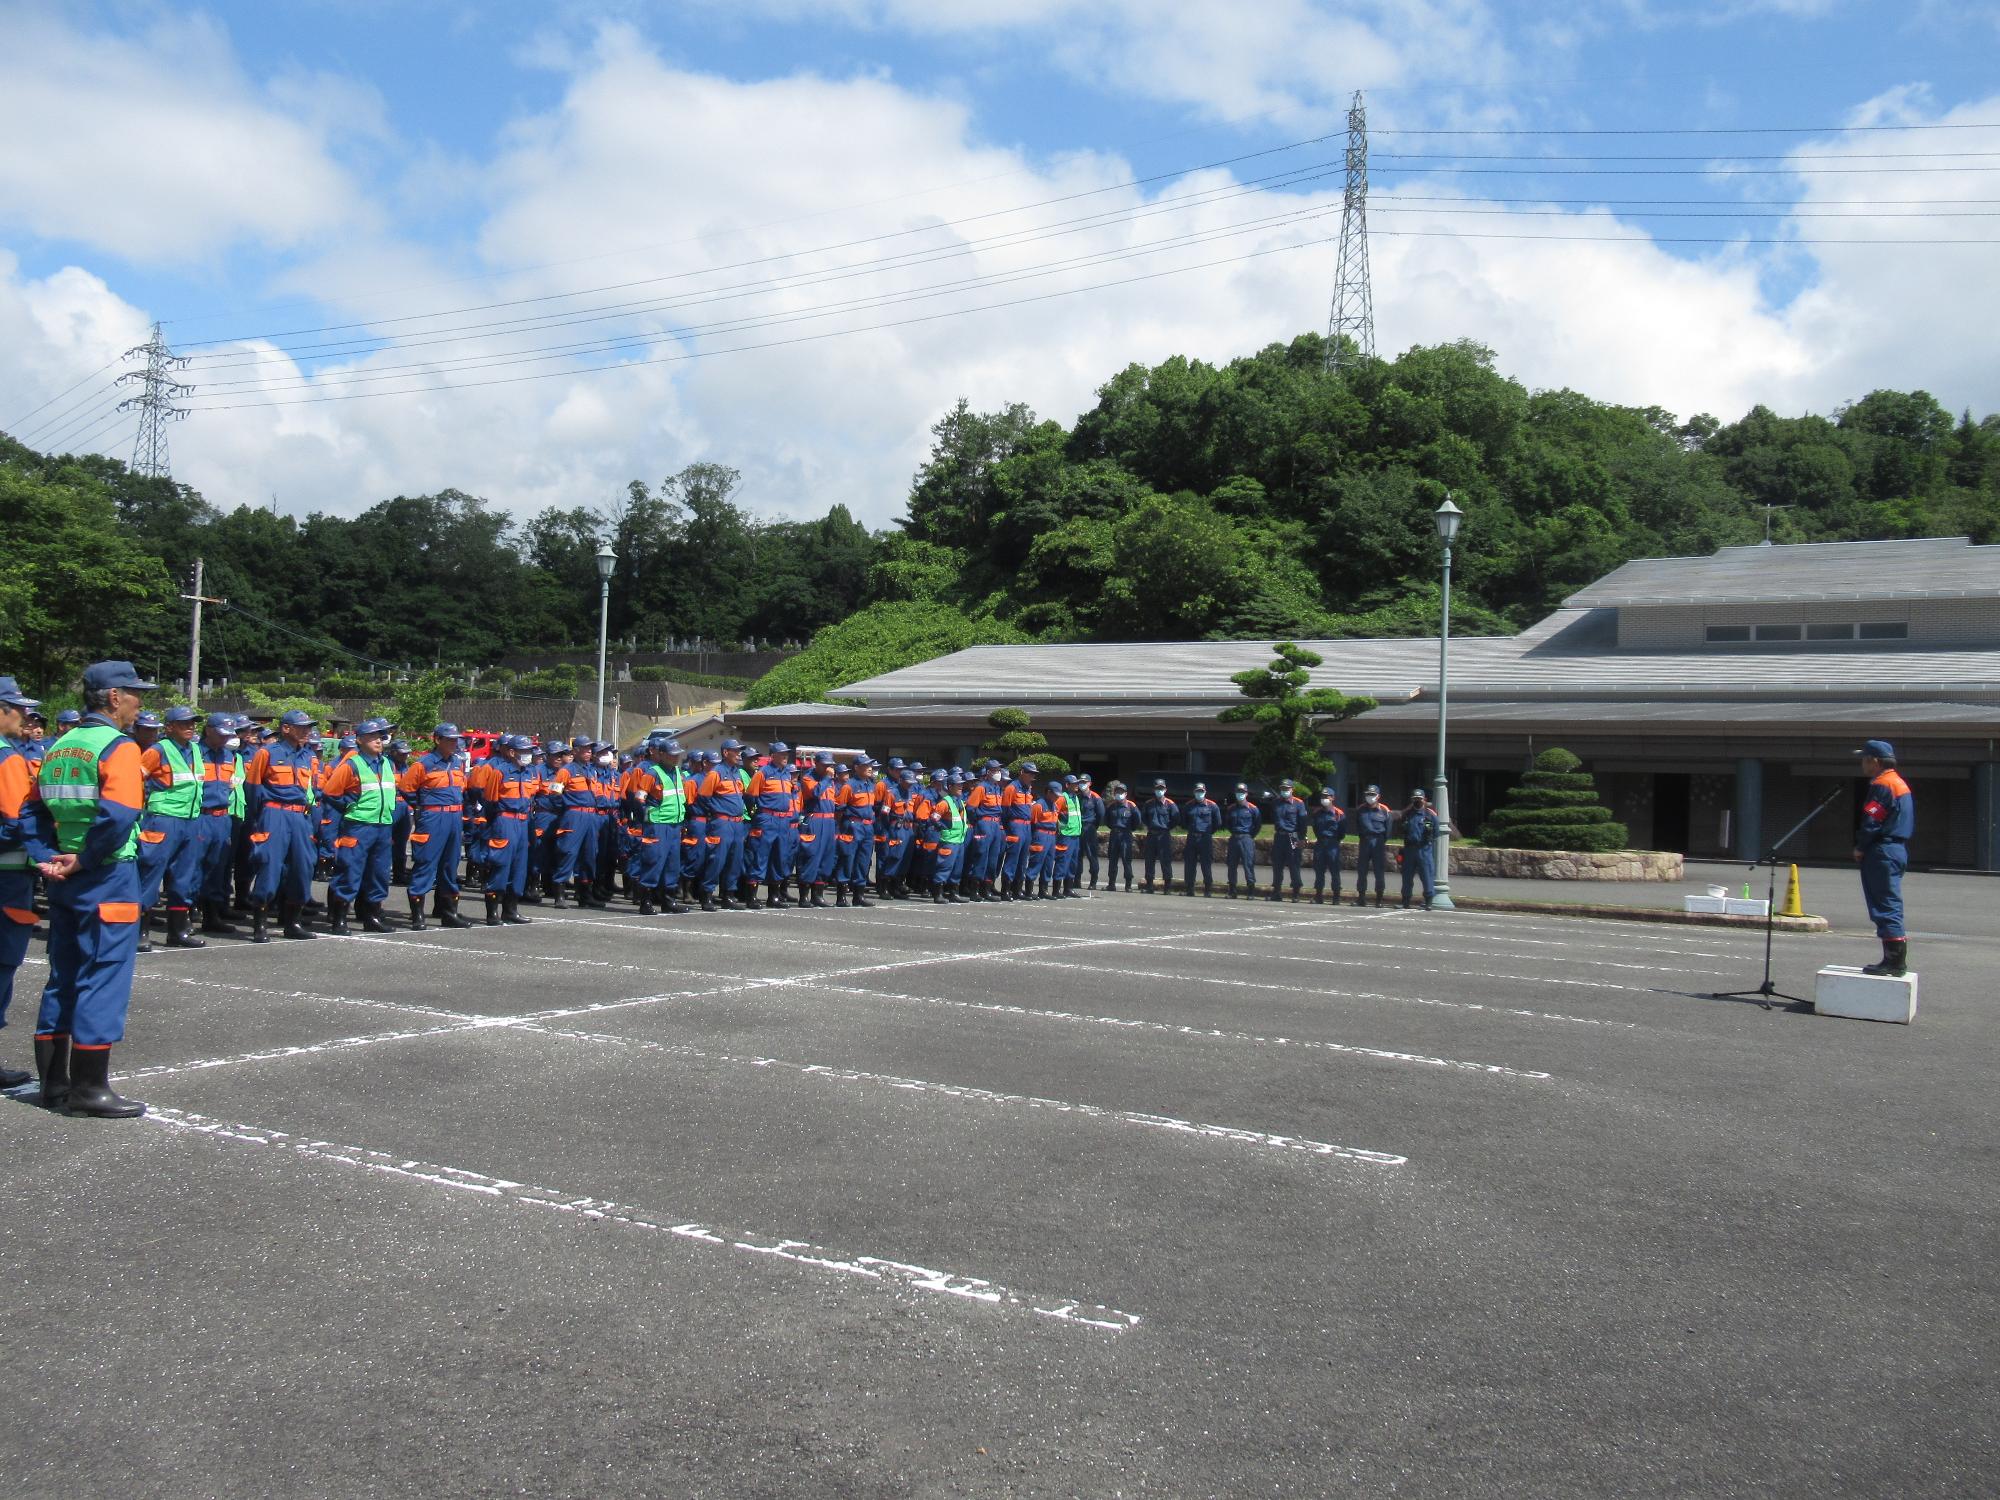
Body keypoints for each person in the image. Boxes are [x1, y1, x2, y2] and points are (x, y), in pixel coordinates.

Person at [28, 661, 156, 1117]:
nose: (142, 702)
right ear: (114, 698)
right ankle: (89, 1088)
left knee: (64, 975)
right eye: (136, 693)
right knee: (104, 976)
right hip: (105, 874)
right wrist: (84, 858)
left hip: (64, 875)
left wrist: (50, 855)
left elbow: (34, 809)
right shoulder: (116, 747)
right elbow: (119, 815)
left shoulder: (61, 744)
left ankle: (53, 1084)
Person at [243, 708, 324, 942]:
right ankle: (260, 924)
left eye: (309, 727)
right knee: (269, 866)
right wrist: (261, 818)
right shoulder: (267, 753)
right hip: (274, 812)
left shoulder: (309, 756)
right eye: (302, 727)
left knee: (303, 866)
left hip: (300, 816)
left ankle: (293, 923)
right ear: (286, 728)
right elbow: (253, 789)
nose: (307, 731)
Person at [0, 676, 44, 1089]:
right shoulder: (8, 759)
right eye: (18, 708)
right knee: (2, 962)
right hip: (8, 876)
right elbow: (16, 820)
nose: (26, 717)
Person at [136, 705, 209, 949]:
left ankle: (177, 931)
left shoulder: (196, 750)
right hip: (162, 819)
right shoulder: (158, 750)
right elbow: (135, 780)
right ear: (169, 727)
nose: (190, 727)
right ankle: (139, 932)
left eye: (192, 723)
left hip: (191, 820)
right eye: (184, 723)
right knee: (150, 874)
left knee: (183, 878)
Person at [319, 717, 400, 934]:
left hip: (383, 826)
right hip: (359, 825)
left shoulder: (386, 763)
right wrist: (349, 803)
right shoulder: (352, 765)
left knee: (379, 873)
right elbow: (330, 792)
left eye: (380, 736)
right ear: (360, 740)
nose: (379, 740)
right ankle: (339, 919)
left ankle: (372, 916)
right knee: (349, 871)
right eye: (373, 736)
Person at [399, 723, 474, 930]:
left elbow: (464, 789)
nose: (454, 743)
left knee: (450, 864)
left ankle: (449, 912)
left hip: (454, 816)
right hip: (433, 817)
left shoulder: (458, 763)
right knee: (425, 863)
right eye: (449, 739)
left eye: (456, 739)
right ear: (437, 740)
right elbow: (406, 788)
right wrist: (422, 805)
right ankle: (417, 915)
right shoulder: (424, 764)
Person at [1853, 739, 1915, 977]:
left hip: (1882, 850)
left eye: (1864, 758)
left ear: (1874, 761)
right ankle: (1894, 958)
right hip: (1897, 849)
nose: (1862, 763)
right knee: (1890, 902)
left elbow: (1872, 820)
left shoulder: (1882, 784)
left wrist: (1860, 846)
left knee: (1885, 904)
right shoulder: (1900, 783)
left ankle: (1894, 961)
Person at [625, 736, 693, 916]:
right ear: (661, 754)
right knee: (653, 861)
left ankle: (668, 901)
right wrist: (648, 819)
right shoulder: (652, 774)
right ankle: (645, 901)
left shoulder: (678, 773)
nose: (675, 757)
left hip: (674, 825)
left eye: (677, 754)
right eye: (672, 755)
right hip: (657, 825)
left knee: (672, 863)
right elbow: (639, 800)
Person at [194, 712, 244, 935]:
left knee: (218, 867)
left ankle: (212, 916)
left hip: (222, 817)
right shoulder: (194, 753)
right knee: (192, 866)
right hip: (199, 816)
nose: (225, 739)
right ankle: (183, 915)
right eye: (221, 734)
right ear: (208, 730)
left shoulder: (228, 756)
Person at [695, 738, 751, 911]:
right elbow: (703, 796)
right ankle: (707, 895)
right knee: (717, 859)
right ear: (726, 753)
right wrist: (715, 811)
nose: (738, 754)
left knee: (735, 860)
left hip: (737, 823)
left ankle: (729, 895)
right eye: (735, 751)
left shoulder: (737, 772)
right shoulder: (716, 773)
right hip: (721, 822)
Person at [834, 757, 875, 907]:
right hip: (852, 825)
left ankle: (859, 895)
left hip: (867, 827)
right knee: (847, 858)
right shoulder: (848, 786)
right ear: (856, 767)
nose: (870, 768)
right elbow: (839, 809)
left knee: (863, 861)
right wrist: (843, 826)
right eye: (866, 765)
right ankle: (841, 896)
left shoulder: (870, 785)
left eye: (870, 765)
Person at [1399, 788, 1444, 910]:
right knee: (1407, 876)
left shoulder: (1429, 815)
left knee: (1427, 875)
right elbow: (1401, 827)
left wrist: (1427, 841)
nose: (1417, 801)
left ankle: (1428, 901)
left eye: (1419, 799)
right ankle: (1406, 900)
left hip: (1424, 850)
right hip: (1409, 850)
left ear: (1425, 800)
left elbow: (1436, 832)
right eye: (1415, 799)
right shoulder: (1407, 814)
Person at [1267, 779, 1309, 903]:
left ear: (1292, 789)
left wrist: (1302, 837)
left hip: (1293, 835)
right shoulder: (1276, 803)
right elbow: (1273, 818)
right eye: (1283, 789)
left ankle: (1295, 893)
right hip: (1280, 835)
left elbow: (1303, 822)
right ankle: (1276, 891)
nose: (1284, 791)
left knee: (1294, 864)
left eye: (1287, 789)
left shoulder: (1298, 803)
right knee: (1277, 864)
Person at [1351, 784, 1392, 907]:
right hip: (1364, 841)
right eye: (1368, 794)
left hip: (1378, 842)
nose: (1370, 797)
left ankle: (1379, 899)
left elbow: (1388, 830)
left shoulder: (1384, 810)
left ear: (1378, 796)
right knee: (1362, 871)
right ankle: (1361, 898)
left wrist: (1381, 840)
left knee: (1379, 872)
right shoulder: (1360, 809)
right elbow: (1358, 826)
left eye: (1372, 795)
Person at [1178, 782, 1220, 897]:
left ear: (1205, 792)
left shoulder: (1212, 806)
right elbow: (1184, 822)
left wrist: (1207, 833)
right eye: (1197, 791)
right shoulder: (1188, 806)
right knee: (1190, 864)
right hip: (1192, 837)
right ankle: (1190, 889)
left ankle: (1208, 889)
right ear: (1194, 792)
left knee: (1206, 864)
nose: (1199, 793)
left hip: (1205, 838)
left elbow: (1217, 823)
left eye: (1201, 791)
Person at [1309, 786, 1347, 904]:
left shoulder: (1339, 814)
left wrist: (1334, 840)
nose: (1324, 798)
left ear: (1332, 798)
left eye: (1327, 796)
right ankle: (1318, 896)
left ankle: (1336, 897)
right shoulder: (1317, 813)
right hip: (1320, 843)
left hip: (1332, 844)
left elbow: (1342, 831)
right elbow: (1315, 828)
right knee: (1319, 870)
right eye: (1323, 796)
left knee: (1334, 871)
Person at [1223, 782, 1261, 897]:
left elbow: (1257, 825)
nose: (1240, 794)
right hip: (1234, 838)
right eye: (1239, 792)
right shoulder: (1231, 809)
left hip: (1246, 838)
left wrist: (1249, 836)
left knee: (1248, 864)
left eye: (1243, 792)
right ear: (1235, 793)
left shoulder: (1253, 809)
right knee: (1231, 865)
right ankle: (1232, 890)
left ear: (1247, 793)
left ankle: (1250, 890)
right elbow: (1228, 824)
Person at [1140, 781, 1178, 894]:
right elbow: (1144, 818)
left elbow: (1176, 819)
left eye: (1161, 788)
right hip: (1152, 834)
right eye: (1157, 788)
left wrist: (1166, 828)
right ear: (1154, 789)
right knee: (1149, 860)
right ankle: (1149, 886)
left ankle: (1167, 887)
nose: (1159, 791)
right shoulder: (1149, 804)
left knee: (1165, 860)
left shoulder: (1170, 804)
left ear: (1165, 790)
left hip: (1164, 835)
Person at [1102, 781, 1138, 892]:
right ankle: (1111, 884)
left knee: (1127, 860)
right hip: (1114, 834)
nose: (1119, 794)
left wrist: (1128, 830)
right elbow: (1107, 820)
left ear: (1126, 793)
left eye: (1121, 792)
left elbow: (1137, 821)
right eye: (1117, 792)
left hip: (1126, 835)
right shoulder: (1111, 806)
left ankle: (1128, 885)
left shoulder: (1131, 806)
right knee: (1112, 860)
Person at [1076, 773, 1105, 892]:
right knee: (1077, 855)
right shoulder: (1077, 797)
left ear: (1090, 783)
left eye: (1084, 782)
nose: (1082, 784)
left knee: (1091, 855)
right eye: (1080, 782)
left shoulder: (1095, 797)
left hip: (1090, 828)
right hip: (1078, 828)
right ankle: (1076, 880)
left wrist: (1093, 826)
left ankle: (1093, 881)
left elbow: (1101, 815)